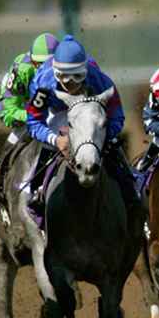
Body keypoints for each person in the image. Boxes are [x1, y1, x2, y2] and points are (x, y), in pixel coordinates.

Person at [25, 34, 134, 211]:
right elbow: (33, 122)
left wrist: (101, 137)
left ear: (85, 71)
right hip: (57, 112)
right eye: (63, 76)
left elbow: (117, 118)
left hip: (89, 110)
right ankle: (37, 191)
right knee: (50, 142)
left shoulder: (102, 81)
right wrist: (55, 140)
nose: (70, 83)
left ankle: (130, 191)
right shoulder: (42, 83)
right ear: (54, 72)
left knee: (112, 148)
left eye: (77, 76)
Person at [0, 32, 58, 208]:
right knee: (15, 141)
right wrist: (33, 116)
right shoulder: (22, 70)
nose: (45, 69)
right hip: (27, 113)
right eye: (40, 64)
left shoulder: (66, 65)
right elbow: (7, 112)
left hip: (56, 113)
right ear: (33, 61)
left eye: (50, 64)